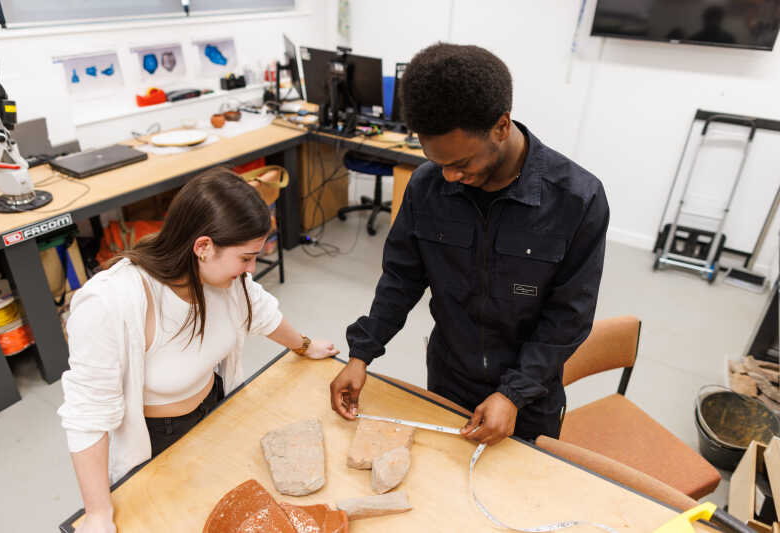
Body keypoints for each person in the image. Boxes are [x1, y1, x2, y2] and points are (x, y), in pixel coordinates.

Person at [329, 43, 609, 447]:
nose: (449, 176)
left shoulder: (576, 200)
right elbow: (401, 279)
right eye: (438, 161)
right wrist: (361, 355)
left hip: (531, 396)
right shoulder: (427, 186)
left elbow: (569, 317)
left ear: (501, 126)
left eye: (462, 163)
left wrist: (513, 393)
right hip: (448, 377)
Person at [58, 167, 339, 533]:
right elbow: (87, 416)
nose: (251, 268)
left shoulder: (224, 279)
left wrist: (304, 346)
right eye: (246, 258)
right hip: (161, 440)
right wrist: (97, 514)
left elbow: (260, 310)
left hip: (217, 409)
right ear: (203, 247)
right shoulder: (112, 303)